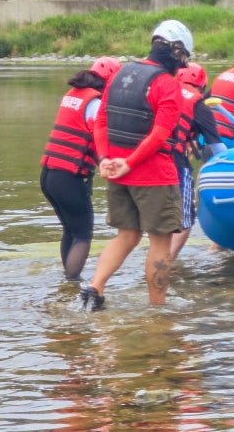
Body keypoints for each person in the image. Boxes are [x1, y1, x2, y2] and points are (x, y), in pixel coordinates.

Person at [79, 19, 192, 311]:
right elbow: (160, 134)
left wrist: (105, 159)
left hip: (116, 171)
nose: (183, 64)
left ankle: (94, 289)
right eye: (184, 57)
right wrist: (129, 163)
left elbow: (101, 120)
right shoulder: (167, 85)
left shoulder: (120, 74)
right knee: (160, 243)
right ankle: (158, 310)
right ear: (177, 51)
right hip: (152, 175)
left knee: (127, 235)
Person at [40, 56, 122, 281]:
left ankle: (67, 282)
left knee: (70, 230)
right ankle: (72, 283)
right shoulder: (95, 103)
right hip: (69, 176)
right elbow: (100, 139)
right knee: (83, 234)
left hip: (49, 175)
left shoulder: (73, 95)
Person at [170, 61, 226, 261]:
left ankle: (156, 258)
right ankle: (167, 262)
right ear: (202, 86)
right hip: (175, 162)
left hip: (151, 159)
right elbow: (217, 148)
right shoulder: (199, 106)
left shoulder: (165, 89)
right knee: (186, 220)